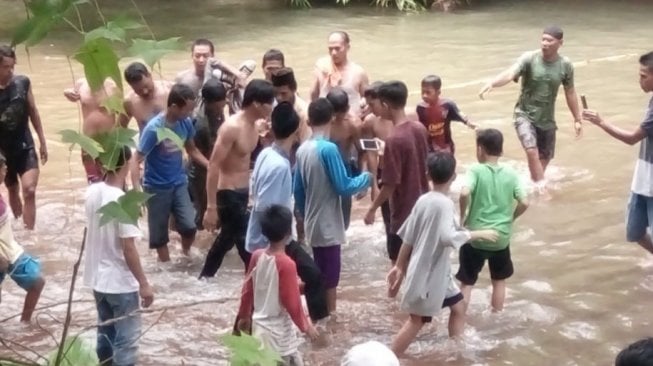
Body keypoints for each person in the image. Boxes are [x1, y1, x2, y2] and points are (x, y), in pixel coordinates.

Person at [386, 152, 498, 356]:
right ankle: (387, 359)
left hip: (435, 273)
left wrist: (399, 266)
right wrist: (478, 234)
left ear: (428, 174)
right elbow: (448, 237)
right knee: (416, 321)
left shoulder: (423, 200)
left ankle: (458, 350)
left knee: (458, 307)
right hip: (428, 274)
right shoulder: (444, 204)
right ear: (454, 176)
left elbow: (408, 237)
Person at [246, 101, 329, 324]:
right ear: (296, 130)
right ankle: (319, 330)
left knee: (259, 292)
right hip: (272, 238)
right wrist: (278, 248)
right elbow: (266, 207)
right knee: (313, 276)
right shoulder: (278, 165)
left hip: (268, 236)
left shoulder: (266, 154)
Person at [478, 26, 582, 192]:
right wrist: (492, 83)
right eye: (543, 39)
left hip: (547, 120)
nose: (545, 43)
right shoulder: (530, 59)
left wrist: (577, 118)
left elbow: (570, 92)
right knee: (531, 151)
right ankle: (542, 192)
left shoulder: (565, 65)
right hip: (524, 114)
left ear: (560, 43)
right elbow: (511, 73)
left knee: (544, 159)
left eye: (549, 40)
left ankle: (528, 188)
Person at [294, 98, 372, 313]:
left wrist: (306, 211)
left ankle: (316, 313)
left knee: (319, 272)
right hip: (328, 222)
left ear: (308, 121)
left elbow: (298, 191)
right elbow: (343, 186)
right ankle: (329, 319)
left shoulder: (302, 150)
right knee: (331, 279)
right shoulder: (328, 149)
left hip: (312, 221)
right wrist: (367, 178)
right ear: (331, 119)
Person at [84, 146, 154, 365]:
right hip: (120, 283)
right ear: (126, 164)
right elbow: (128, 248)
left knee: (105, 333)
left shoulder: (92, 192)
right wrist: (144, 283)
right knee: (127, 342)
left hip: (98, 279)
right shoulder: (124, 202)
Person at [201, 79, 275, 278]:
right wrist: (211, 206)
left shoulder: (254, 125)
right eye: (270, 101)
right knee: (242, 239)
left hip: (243, 192)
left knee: (228, 239)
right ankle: (256, 279)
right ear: (257, 104)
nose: (273, 105)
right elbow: (213, 164)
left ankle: (205, 278)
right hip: (228, 192)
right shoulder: (232, 127)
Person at [582, 51, 653, 255]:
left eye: (643, 76)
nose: (639, 81)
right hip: (643, 177)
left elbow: (632, 138)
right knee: (634, 230)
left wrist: (601, 122)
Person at [133, 83, 209, 262]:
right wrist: (137, 190)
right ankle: (166, 268)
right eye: (187, 110)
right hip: (156, 187)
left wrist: (210, 165)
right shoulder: (154, 129)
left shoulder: (186, 123)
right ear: (174, 107)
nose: (190, 114)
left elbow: (192, 150)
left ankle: (185, 254)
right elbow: (135, 159)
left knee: (190, 227)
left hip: (179, 182)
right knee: (159, 236)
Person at [456, 129, 529, 312]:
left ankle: (460, 317)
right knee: (499, 281)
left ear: (480, 149)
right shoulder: (511, 173)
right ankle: (496, 315)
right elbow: (525, 202)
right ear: (501, 150)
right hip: (500, 238)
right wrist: (511, 218)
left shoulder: (475, 170)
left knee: (467, 282)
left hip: (475, 236)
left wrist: (462, 216)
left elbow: (464, 192)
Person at [237, 205, 319, 366]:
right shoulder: (287, 264)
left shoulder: (256, 256)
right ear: (289, 231)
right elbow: (292, 303)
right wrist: (306, 327)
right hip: (279, 335)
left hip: (260, 329)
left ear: (263, 231)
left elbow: (248, 290)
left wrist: (244, 316)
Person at [363, 81, 429, 265]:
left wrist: (372, 209)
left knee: (398, 267)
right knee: (420, 262)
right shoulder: (420, 129)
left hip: (402, 213)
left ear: (385, 105)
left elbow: (390, 185)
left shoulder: (393, 139)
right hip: (423, 206)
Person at [0, 45, 47, 230]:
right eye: (5, 67)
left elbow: (33, 111)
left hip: (24, 144)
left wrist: (42, 141)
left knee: (30, 190)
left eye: (12, 66)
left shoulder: (22, 82)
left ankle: (29, 233)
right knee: (12, 189)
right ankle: (18, 228)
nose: (10, 71)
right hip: (2, 151)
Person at [0, 151, 45, 322]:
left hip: (10, 251)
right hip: (3, 256)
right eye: (3, 167)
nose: (6, 170)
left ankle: (24, 323)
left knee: (37, 282)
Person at [64, 76, 119, 184]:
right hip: (88, 143)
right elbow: (72, 95)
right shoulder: (81, 84)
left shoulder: (113, 85)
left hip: (108, 143)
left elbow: (123, 113)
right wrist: (66, 92)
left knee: (112, 181)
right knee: (93, 181)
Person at [188, 79, 227, 230]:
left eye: (222, 105)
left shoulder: (217, 109)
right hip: (200, 171)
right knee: (204, 208)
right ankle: (200, 240)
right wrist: (211, 166)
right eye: (217, 107)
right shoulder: (200, 124)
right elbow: (193, 151)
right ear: (208, 103)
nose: (220, 110)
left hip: (213, 164)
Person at [360, 81, 394, 254]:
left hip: (402, 173)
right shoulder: (369, 122)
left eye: (372, 104)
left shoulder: (406, 118)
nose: (370, 108)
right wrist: (373, 184)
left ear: (383, 102)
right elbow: (370, 154)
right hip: (384, 174)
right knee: (389, 220)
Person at [326, 87, 365, 230]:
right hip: (323, 168)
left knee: (344, 217)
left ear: (347, 108)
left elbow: (362, 152)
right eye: (333, 114)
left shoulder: (353, 124)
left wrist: (362, 181)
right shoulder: (322, 119)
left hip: (343, 169)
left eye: (339, 114)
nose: (335, 118)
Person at [310, 31, 369, 117]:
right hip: (326, 118)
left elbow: (368, 99)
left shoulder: (358, 72)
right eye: (330, 49)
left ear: (347, 47)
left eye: (337, 49)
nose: (333, 53)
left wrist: (362, 109)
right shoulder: (321, 67)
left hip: (350, 120)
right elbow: (313, 94)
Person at [416, 75, 476, 154]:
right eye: (422, 92)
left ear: (438, 92)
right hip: (429, 150)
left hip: (446, 147)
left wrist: (471, 124)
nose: (424, 95)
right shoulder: (421, 108)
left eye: (428, 92)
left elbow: (461, 116)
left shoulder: (447, 105)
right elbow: (418, 129)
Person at [175, 38, 246, 96]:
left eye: (205, 56)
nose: (201, 60)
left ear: (212, 57)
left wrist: (238, 76)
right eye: (197, 56)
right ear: (192, 56)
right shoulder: (181, 78)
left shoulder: (222, 77)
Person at [120, 62, 172, 133]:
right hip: (148, 143)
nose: (145, 92)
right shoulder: (129, 102)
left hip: (173, 142)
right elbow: (120, 129)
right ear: (131, 86)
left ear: (149, 76)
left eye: (146, 86)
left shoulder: (170, 90)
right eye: (139, 90)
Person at [271, 67, 311, 143]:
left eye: (283, 93)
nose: (278, 98)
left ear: (294, 89)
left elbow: (305, 144)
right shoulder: (271, 106)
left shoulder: (304, 113)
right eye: (275, 93)